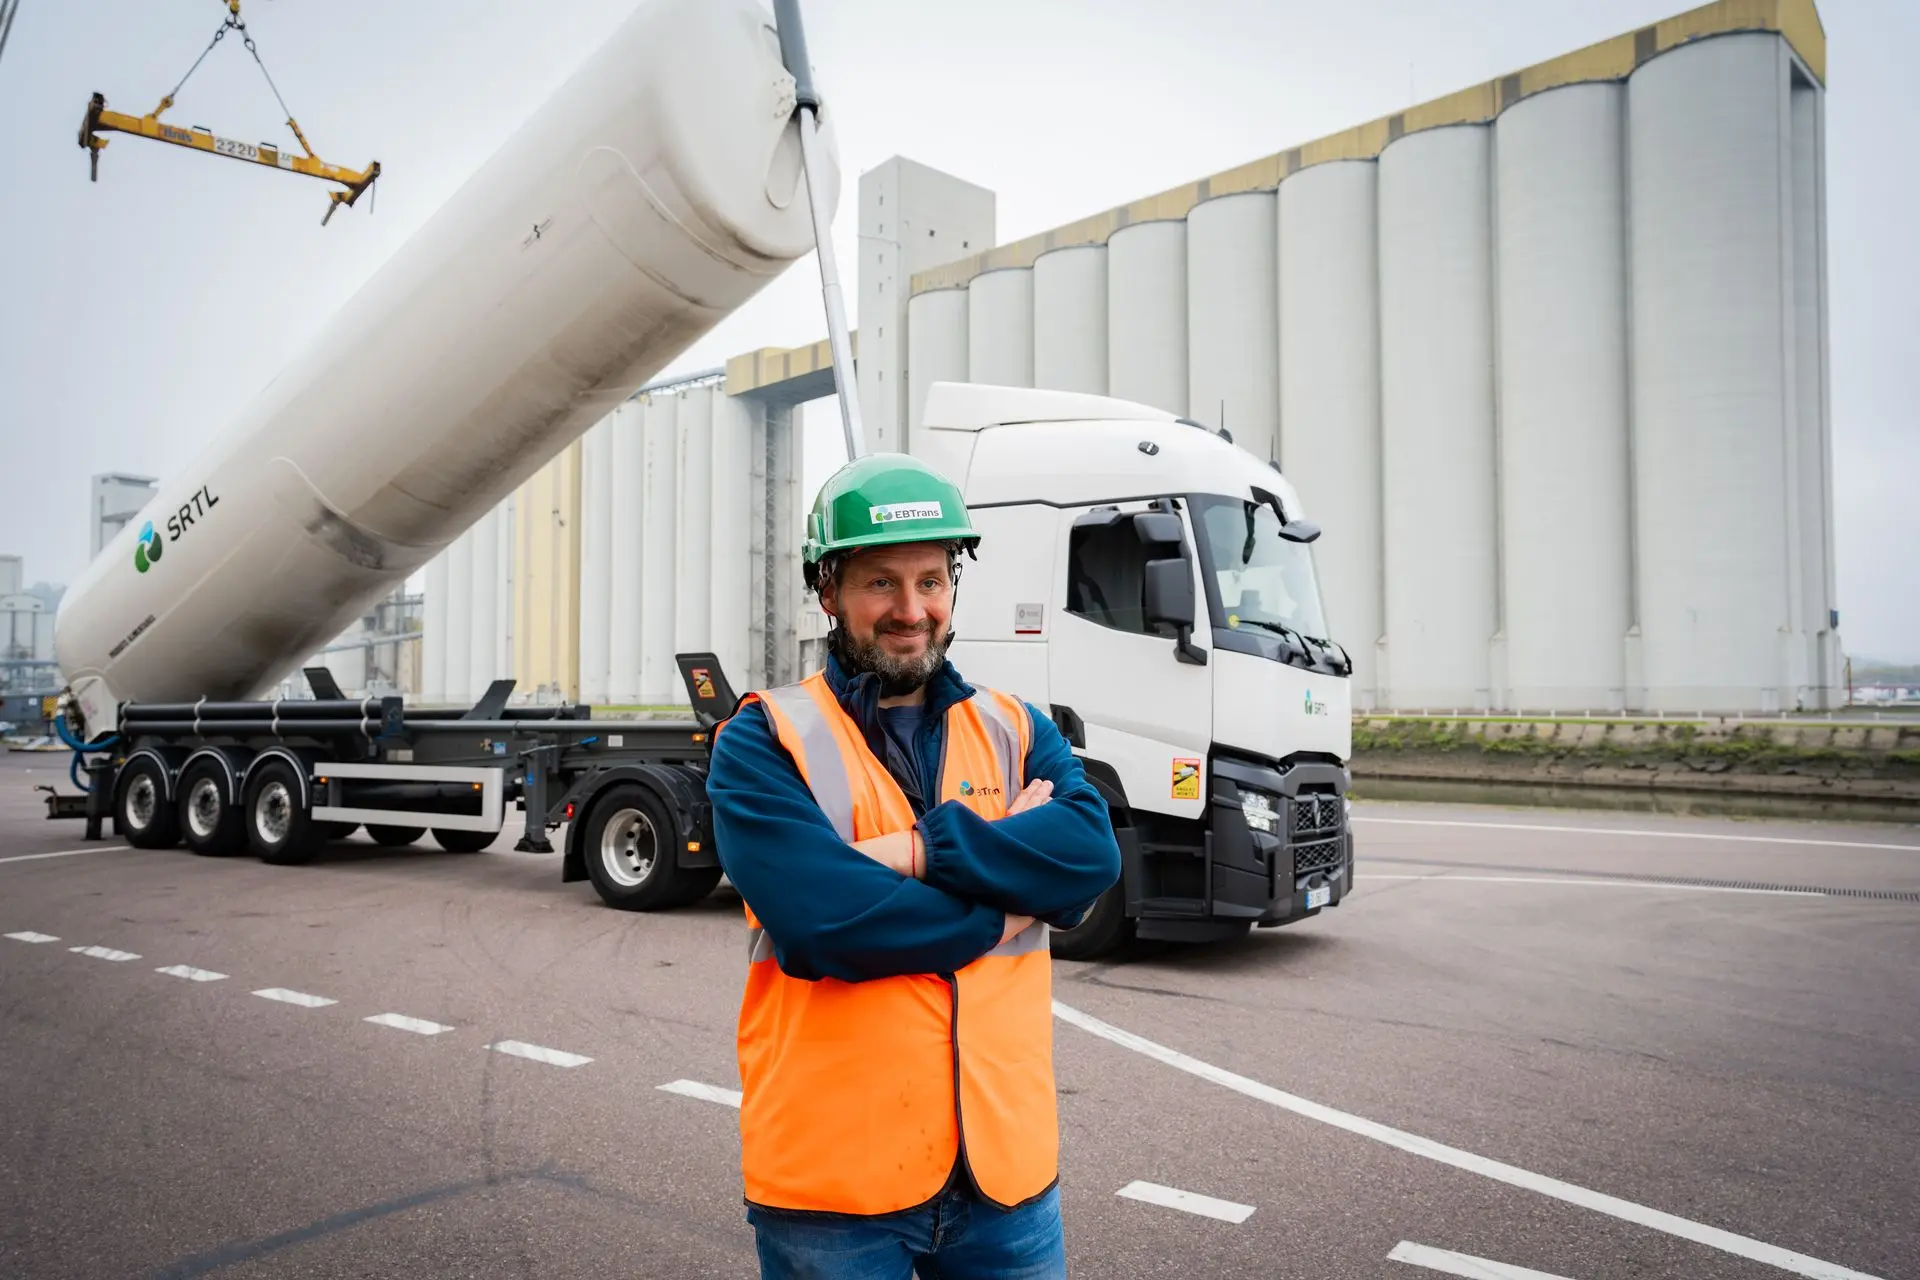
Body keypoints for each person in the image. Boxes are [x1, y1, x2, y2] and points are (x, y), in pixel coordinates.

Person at [707, 452, 1124, 1280]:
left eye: (932, 581)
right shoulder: (763, 740)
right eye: (880, 584)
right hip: (837, 1190)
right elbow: (824, 923)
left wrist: (918, 851)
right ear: (828, 592)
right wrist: (1007, 906)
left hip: (1006, 1178)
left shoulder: (1014, 727)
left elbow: (1088, 855)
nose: (911, 609)